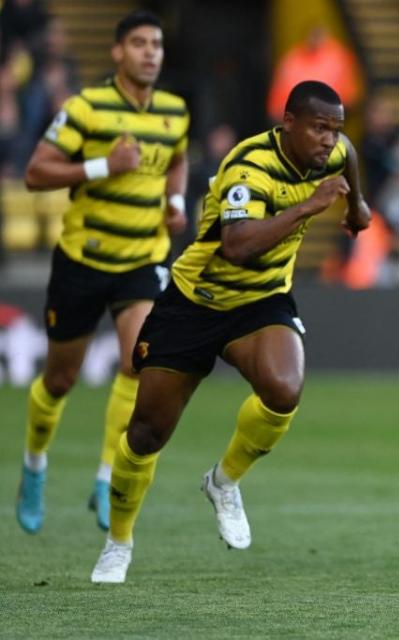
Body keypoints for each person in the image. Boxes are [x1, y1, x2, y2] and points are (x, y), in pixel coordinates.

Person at [90, 80, 371, 583]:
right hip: (196, 301)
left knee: (284, 389)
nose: (329, 140)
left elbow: (348, 156)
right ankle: (119, 541)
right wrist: (311, 206)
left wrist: (356, 208)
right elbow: (239, 247)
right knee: (147, 431)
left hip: (261, 302)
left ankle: (223, 482)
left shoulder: (332, 153)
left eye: (334, 129)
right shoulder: (249, 168)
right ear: (288, 123)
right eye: (319, 128)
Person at [16, 10, 189, 534]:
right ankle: (34, 465)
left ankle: (105, 477)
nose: (150, 52)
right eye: (138, 43)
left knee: (138, 365)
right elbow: (35, 172)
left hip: (142, 259)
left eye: (156, 44)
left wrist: (175, 198)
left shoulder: (175, 111)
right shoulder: (85, 108)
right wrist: (101, 167)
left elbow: (176, 155)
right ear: (118, 52)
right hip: (84, 261)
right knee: (60, 378)